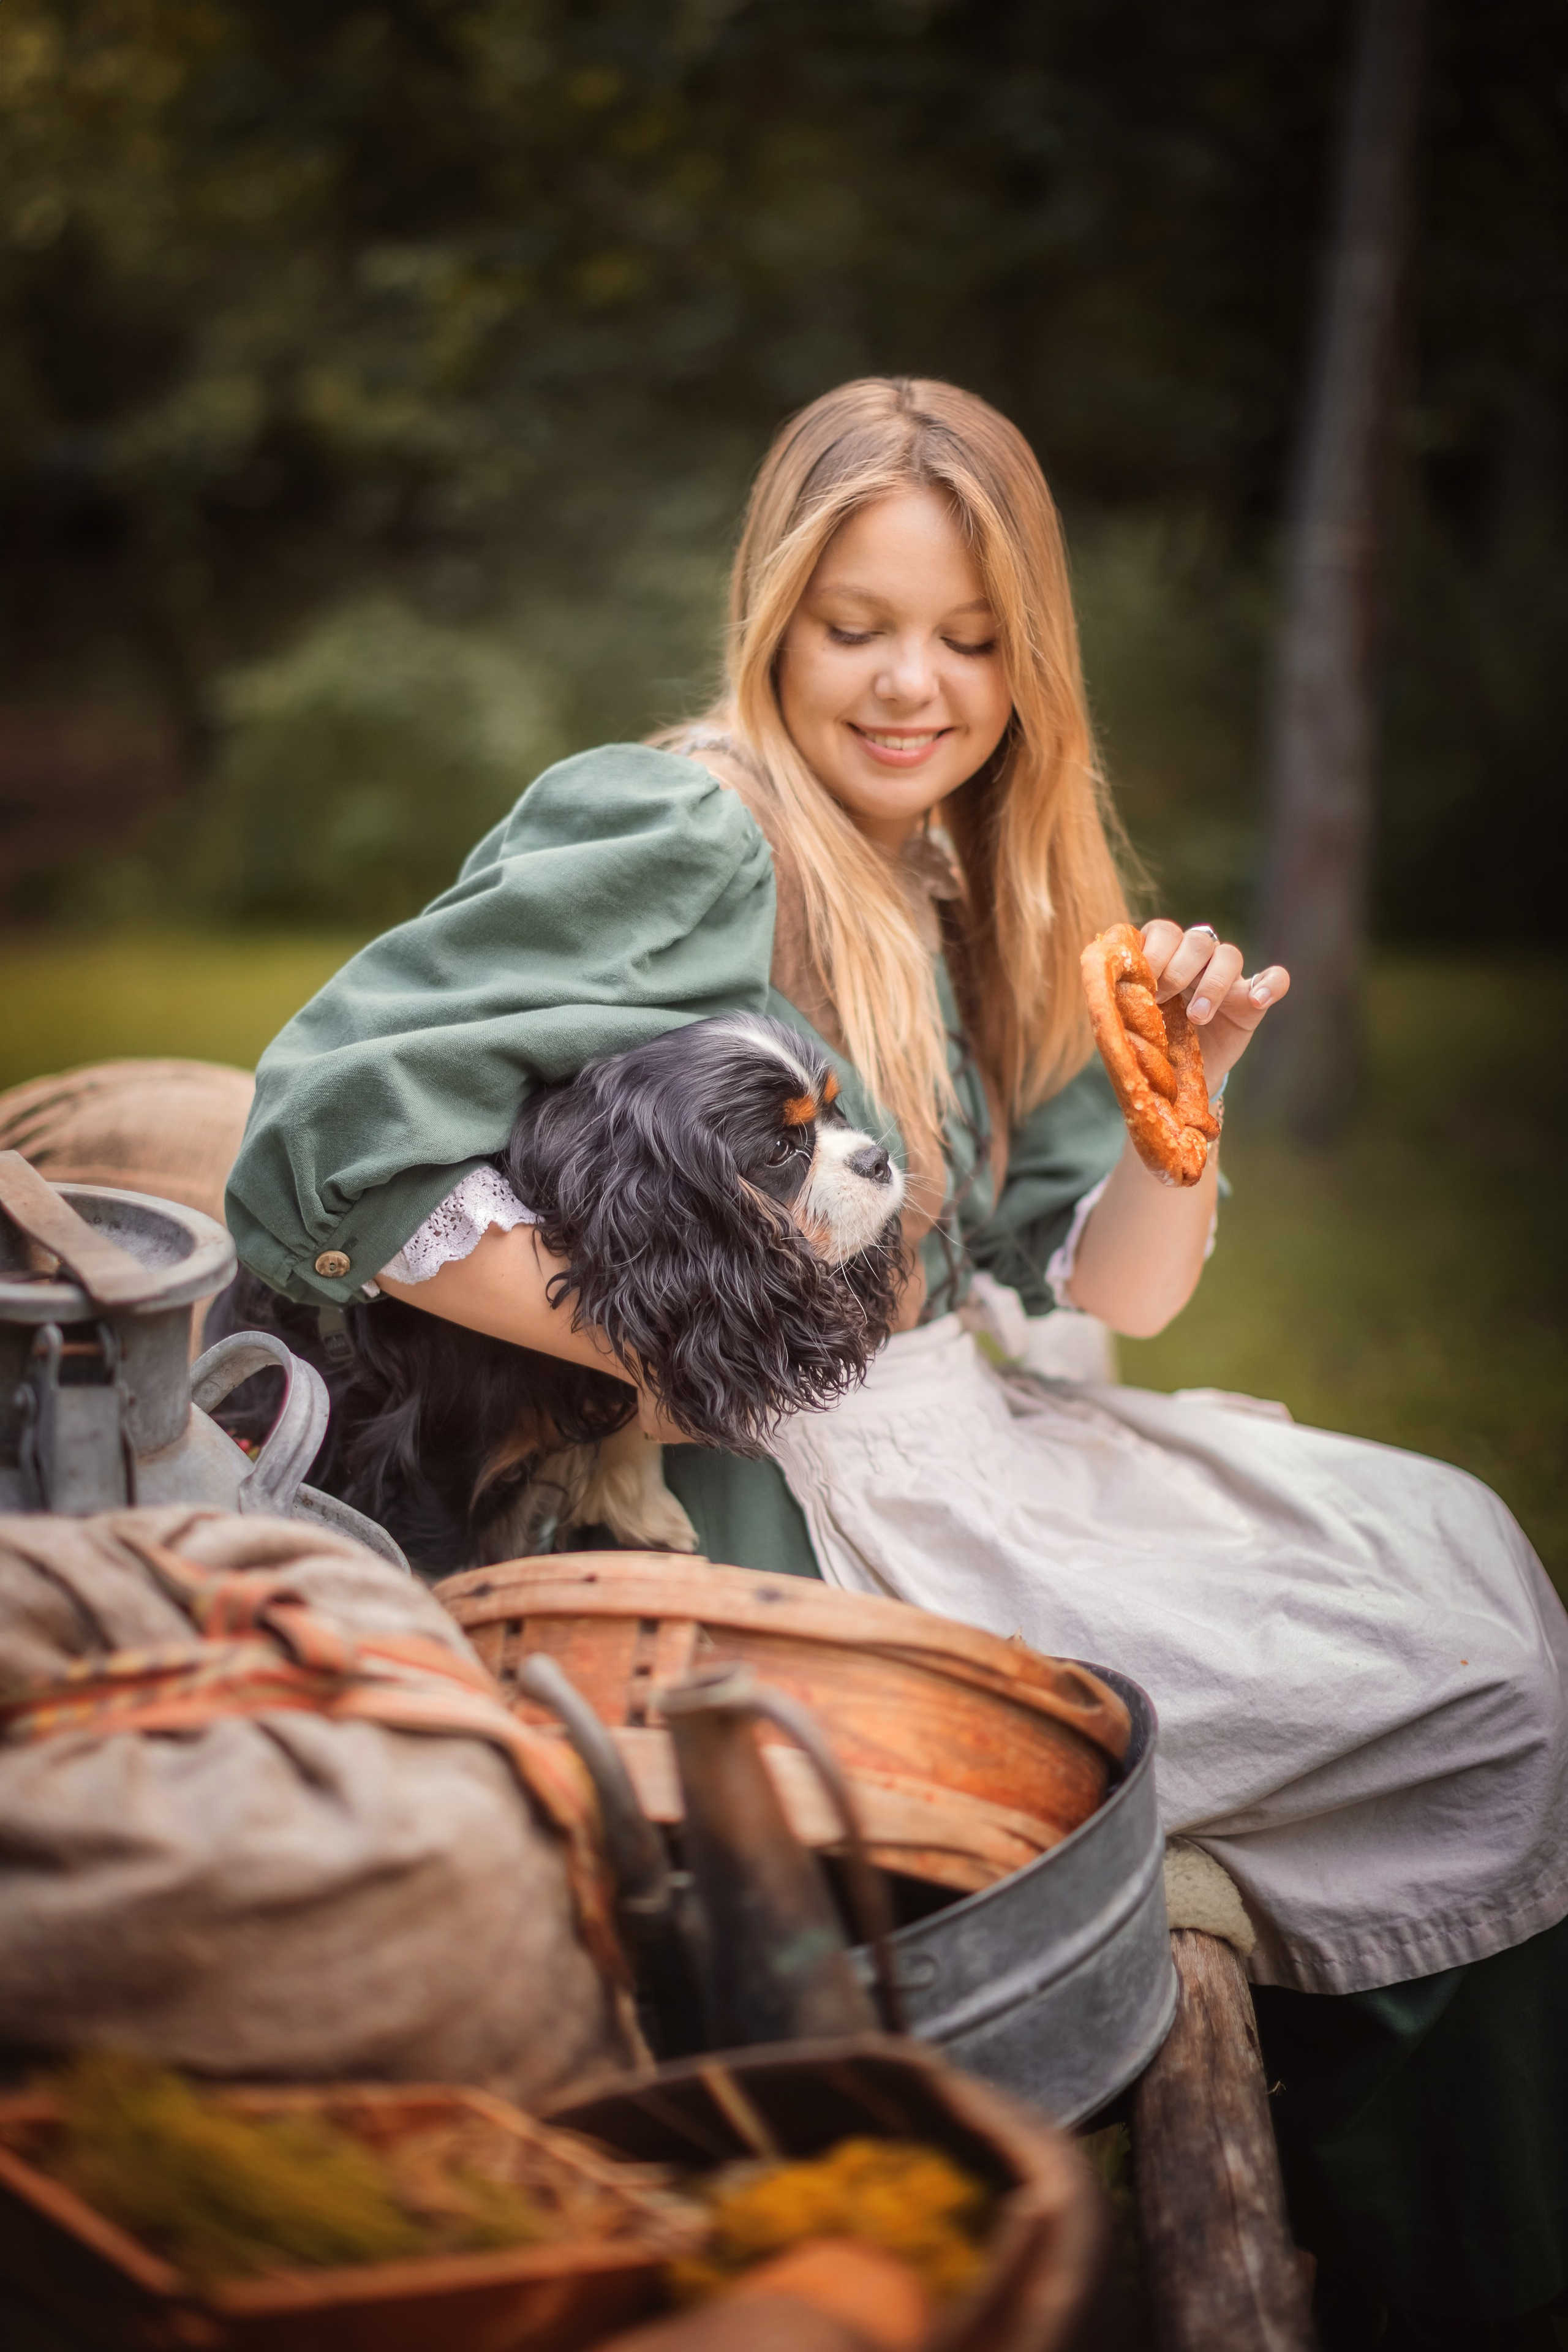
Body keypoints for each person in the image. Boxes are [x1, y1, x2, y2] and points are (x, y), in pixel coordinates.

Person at [228, 377, 1568, 2340]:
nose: (910, 687)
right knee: (1470, 1697)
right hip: (778, 1504)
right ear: (775, 614)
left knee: (1456, 1553)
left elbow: (1120, 1292)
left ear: (1032, 654)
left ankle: (1432, 2247)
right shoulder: (686, 822)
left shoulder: (976, 875)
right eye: (856, 626)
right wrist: (664, 1358)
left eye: (968, 637)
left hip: (969, 1421)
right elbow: (326, 1130)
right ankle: (1457, 2273)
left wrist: (1182, 1106)